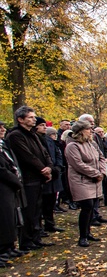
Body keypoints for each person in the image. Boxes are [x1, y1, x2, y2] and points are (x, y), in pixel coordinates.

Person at [5, 106, 54, 251]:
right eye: (31, 117)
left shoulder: (33, 134)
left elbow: (44, 153)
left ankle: (36, 237)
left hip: (39, 177)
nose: (34, 119)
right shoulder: (15, 136)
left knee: (38, 209)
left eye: (34, 117)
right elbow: (27, 156)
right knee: (29, 210)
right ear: (20, 119)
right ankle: (26, 241)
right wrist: (42, 170)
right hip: (28, 178)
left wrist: (49, 167)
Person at [64, 121, 107, 247]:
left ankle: (88, 232)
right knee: (86, 205)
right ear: (81, 131)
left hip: (95, 179)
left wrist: (102, 172)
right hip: (81, 180)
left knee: (92, 205)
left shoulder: (92, 143)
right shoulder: (72, 146)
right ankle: (82, 236)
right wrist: (95, 173)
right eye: (89, 129)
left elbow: (101, 158)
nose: (91, 131)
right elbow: (78, 164)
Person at [0, 121, 25, 266]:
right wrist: (15, 180)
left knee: (10, 217)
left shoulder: (3, 146)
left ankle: (9, 247)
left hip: (9, 188)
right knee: (4, 218)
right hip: (4, 186)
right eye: (0, 128)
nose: (3, 129)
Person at [41, 126, 65, 234]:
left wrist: (58, 168)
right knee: (44, 202)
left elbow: (58, 155)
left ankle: (50, 223)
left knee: (51, 202)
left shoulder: (53, 143)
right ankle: (42, 225)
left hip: (55, 174)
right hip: (45, 175)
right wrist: (49, 169)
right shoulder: (41, 141)